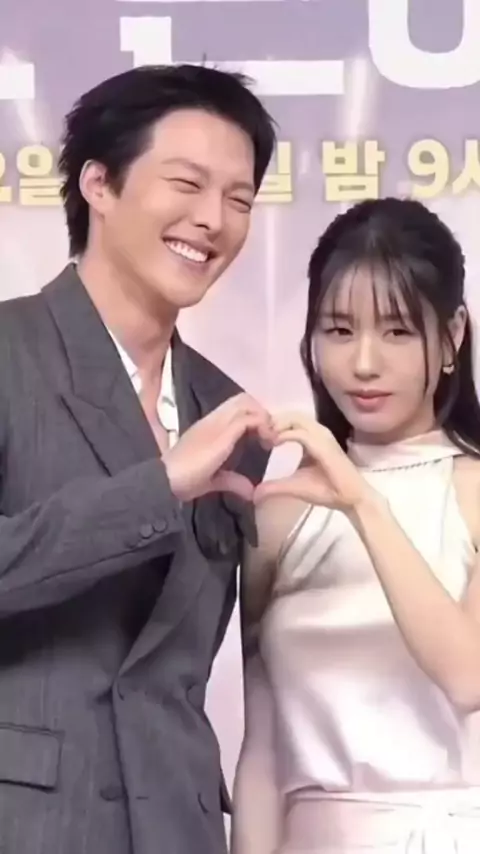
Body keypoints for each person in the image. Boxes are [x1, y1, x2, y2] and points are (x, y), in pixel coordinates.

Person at [0, 64, 276, 854]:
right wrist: (159, 486)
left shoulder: (230, 412)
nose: (212, 220)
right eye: (185, 184)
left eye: (239, 199)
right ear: (99, 184)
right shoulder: (10, 351)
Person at [232, 197, 480, 853]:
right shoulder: (278, 513)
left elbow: (468, 675)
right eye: (339, 330)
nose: (364, 363)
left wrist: (361, 501)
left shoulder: (473, 492)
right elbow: (262, 752)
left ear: (452, 335)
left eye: (397, 331)